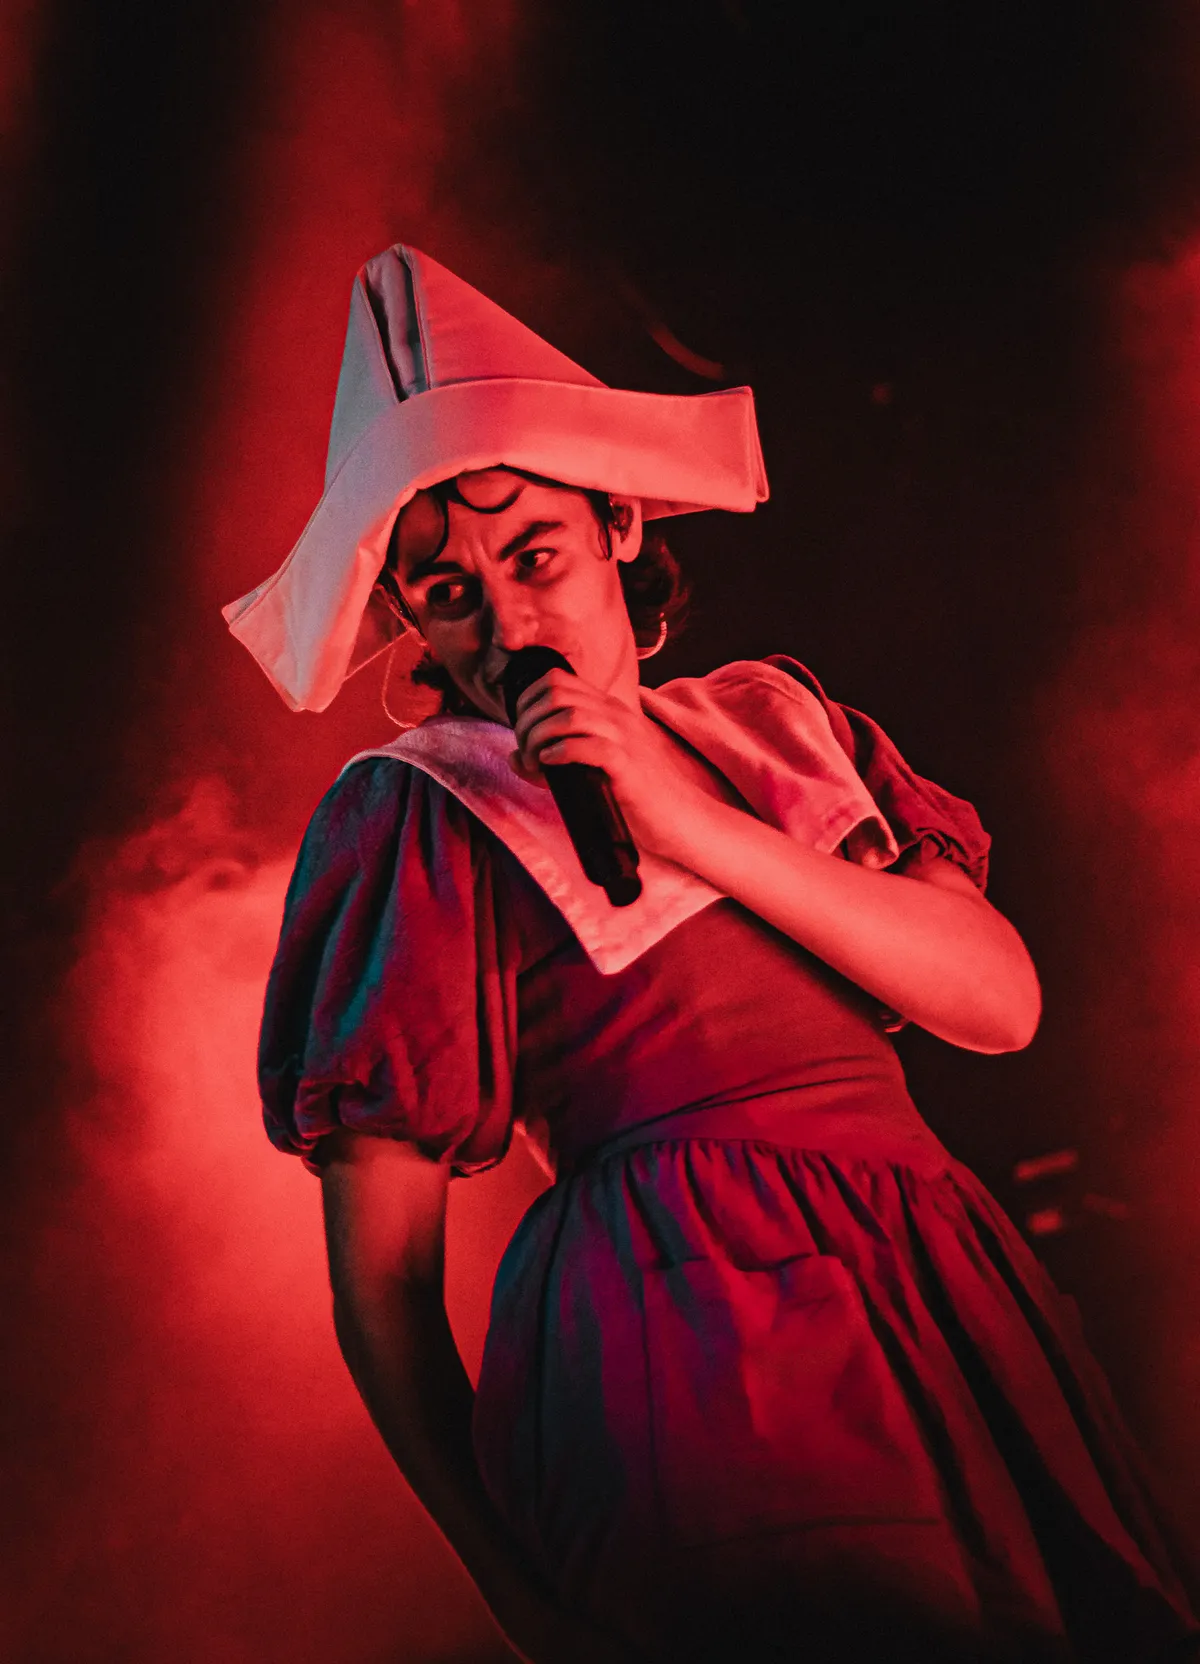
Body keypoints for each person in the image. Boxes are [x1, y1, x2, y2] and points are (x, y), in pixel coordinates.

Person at [225, 245, 1200, 1663]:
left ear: (618, 520)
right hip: (687, 1339)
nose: (507, 623)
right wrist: (516, 1591)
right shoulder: (420, 811)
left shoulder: (779, 723)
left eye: (536, 555)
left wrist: (684, 816)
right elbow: (382, 1289)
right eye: (447, 592)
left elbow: (997, 1003)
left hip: (934, 1293)